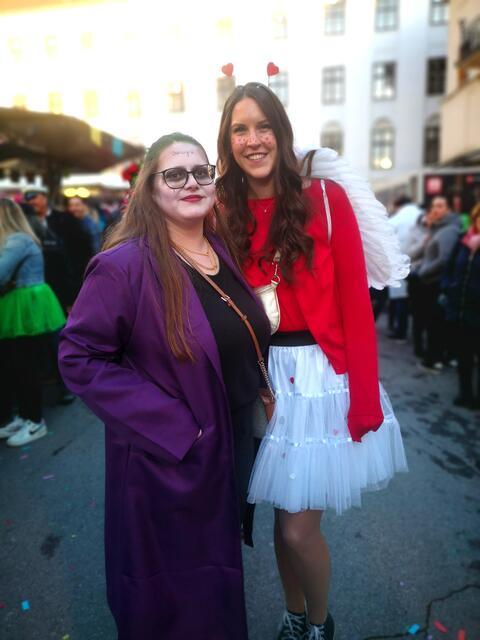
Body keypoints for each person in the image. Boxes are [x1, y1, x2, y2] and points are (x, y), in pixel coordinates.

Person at [58, 132, 270, 640]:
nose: (191, 183)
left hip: (231, 441)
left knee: (216, 576)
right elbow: (79, 357)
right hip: (168, 457)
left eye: (201, 172)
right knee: (177, 590)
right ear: (150, 189)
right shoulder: (123, 265)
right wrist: (177, 428)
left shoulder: (219, 249)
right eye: (174, 174)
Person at [216, 82, 408, 640]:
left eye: (263, 126)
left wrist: (365, 398)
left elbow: (355, 305)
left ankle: (321, 624)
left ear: (281, 132)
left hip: (321, 377)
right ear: (228, 142)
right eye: (239, 129)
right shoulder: (223, 209)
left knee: (299, 529)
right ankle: (294, 615)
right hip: (262, 379)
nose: (253, 140)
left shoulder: (325, 199)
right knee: (281, 521)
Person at [0, 199, 65, 446]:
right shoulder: (15, 239)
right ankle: (24, 416)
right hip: (18, 303)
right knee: (14, 366)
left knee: (24, 366)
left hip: (24, 304)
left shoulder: (18, 239)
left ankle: (35, 421)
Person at [415, 195, 461, 373]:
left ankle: (435, 359)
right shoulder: (437, 228)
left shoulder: (449, 230)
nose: (436, 209)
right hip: (430, 283)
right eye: (434, 206)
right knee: (433, 323)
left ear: (449, 209)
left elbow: (443, 260)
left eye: (441, 206)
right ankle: (436, 357)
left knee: (436, 324)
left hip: (436, 284)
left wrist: (423, 271)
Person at [441, 203, 480, 408]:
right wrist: (448, 287)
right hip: (461, 310)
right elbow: (449, 268)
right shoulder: (464, 241)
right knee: (464, 356)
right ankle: (465, 393)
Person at [387, 196, 422, 341]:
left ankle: (400, 331)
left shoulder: (395, 220)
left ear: (397, 205)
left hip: (399, 262)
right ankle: (416, 335)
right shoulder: (421, 214)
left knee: (400, 299)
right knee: (417, 303)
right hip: (420, 263)